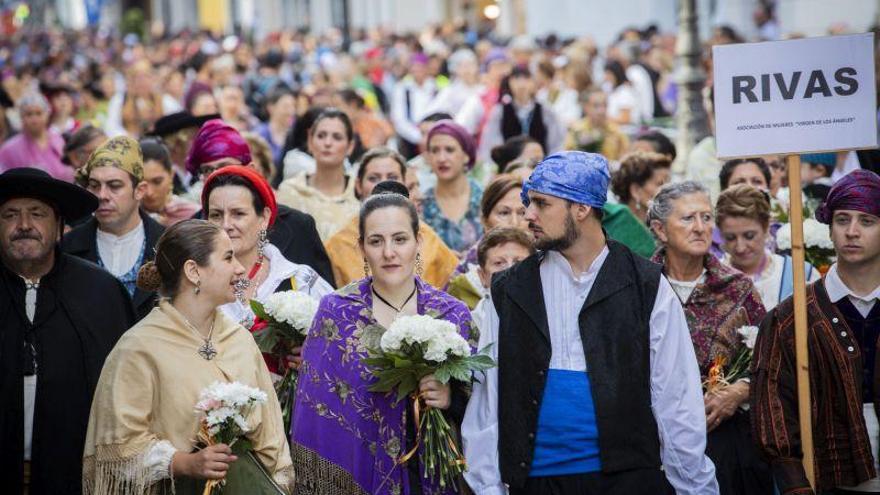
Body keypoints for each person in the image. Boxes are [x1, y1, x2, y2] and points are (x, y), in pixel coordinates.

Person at [463, 151, 717, 495]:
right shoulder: (510, 289)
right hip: (537, 483)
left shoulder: (646, 284)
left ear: (581, 209)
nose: (529, 214)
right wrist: (488, 488)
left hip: (627, 481)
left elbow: (675, 396)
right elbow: (488, 400)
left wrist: (694, 487)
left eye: (541, 203)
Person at [82, 220, 294, 493]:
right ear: (194, 271)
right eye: (228, 257)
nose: (240, 268)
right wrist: (183, 463)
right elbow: (119, 448)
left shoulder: (240, 340)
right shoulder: (138, 347)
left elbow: (272, 438)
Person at [291, 187, 477, 495]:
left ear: (419, 242)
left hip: (431, 474)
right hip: (357, 473)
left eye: (400, 239)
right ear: (362, 247)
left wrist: (450, 398)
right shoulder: (336, 312)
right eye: (376, 241)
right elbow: (315, 410)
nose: (389, 252)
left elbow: (483, 403)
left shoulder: (452, 314)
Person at [0, 168, 135, 494]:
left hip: (75, 475)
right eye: (10, 215)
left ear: (59, 225)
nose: (24, 226)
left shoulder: (100, 292)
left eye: (37, 214)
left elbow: (127, 389)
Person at [752, 170, 880, 495]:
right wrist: (796, 484)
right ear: (830, 226)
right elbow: (774, 407)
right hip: (827, 479)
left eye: (867, 221)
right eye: (842, 219)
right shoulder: (790, 318)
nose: (852, 232)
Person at [647, 181, 771, 494]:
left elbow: (772, 356)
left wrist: (739, 391)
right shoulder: (642, 287)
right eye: (688, 219)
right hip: (656, 443)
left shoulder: (737, 287)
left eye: (706, 218)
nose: (701, 228)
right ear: (660, 230)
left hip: (727, 440)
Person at [187, 118, 336, 287]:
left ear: (251, 169)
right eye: (206, 170)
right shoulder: (190, 234)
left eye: (225, 166)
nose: (216, 175)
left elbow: (327, 304)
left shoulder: (297, 225)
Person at [202, 165, 333, 327]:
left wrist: (305, 351)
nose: (226, 224)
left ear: (264, 217)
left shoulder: (299, 280)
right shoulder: (195, 282)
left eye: (238, 213)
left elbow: (340, 337)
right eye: (216, 215)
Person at [62, 136, 165, 321]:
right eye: (94, 186)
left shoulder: (167, 245)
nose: (102, 195)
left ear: (140, 190)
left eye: (114, 186)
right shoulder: (68, 248)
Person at [324, 148, 459, 289]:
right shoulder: (338, 245)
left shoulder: (427, 237)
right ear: (358, 186)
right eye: (373, 178)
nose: (383, 184)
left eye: (392, 177)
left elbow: (456, 286)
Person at [716, 184, 819, 311]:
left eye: (749, 236)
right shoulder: (713, 280)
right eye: (731, 238)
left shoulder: (800, 274)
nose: (740, 247)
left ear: (766, 228)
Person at [276, 108, 360, 241]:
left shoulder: (360, 195)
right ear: (310, 141)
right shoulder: (289, 192)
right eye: (321, 136)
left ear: (350, 146)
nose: (327, 143)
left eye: (337, 137)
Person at [447, 175, 529, 309]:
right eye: (504, 213)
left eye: (523, 213)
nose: (514, 223)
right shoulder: (464, 283)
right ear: (485, 221)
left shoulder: (549, 265)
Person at [478, 66, 566, 163]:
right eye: (516, 79)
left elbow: (556, 144)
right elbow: (491, 144)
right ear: (509, 82)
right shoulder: (500, 111)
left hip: (541, 167)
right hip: (509, 168)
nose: (521, 84)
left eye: (526, 79)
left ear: (533, 82)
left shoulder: (545, 110)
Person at [422, 120, 484, 253]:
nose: (441, 158)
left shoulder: (486, 198)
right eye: (435, 151)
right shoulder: (421, 204)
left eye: (449, 150)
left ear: (466, 155)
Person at [469, 226, 535, 328]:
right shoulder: (472, 327)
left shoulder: (551, 314)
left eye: (519, 262)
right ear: (482, 276)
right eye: (499, 263)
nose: (510, 270)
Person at [0, 93, 73, 182]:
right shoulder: (9, 150)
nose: (34, 119)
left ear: (47, 115)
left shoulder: (59, 140)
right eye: (29, 114)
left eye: (39, 113)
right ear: (21, 117)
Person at [139, 137, 201, 227]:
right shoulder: (124, 219)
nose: (149, 193)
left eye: (157, 182)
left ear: (171, 174)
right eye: (142, 184)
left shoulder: (193, 215)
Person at [390, 52, 438, 159]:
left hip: (434, 137)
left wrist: (429, 136)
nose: (417, 70)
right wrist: (419, 137)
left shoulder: (436, 87)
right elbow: (399, 119)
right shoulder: (402, 88)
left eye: (420, 67)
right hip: (409, 141)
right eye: (414, 67)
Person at [564, 88, 630, 161]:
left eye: (605, 105)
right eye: (596, 106)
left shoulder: (616, 132)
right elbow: (568, 157)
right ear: (586, 107)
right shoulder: (576, 130)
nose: (602, 111)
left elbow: (625, 158)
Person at [255, 86, 296, 164]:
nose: (291, 111)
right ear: (271, 108)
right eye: (286, 106)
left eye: (293, 106)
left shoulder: (295, 134)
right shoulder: (259, 133)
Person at [603, 60, 643, 125]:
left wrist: (604, 118)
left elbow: (625, 119)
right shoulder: (613, 91)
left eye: (608, 73)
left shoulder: (625, 92)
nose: (606, 77)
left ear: (616, 74)